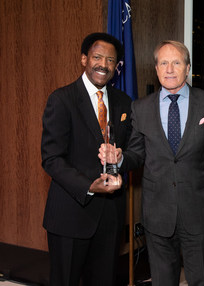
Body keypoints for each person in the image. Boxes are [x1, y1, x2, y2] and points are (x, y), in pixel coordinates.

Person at [101, 40, 204, 286]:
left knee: (202, 280)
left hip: (198, 212)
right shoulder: (141, 108)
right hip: (158, 213)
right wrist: (120, 158)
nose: (169, 69)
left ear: (187, 68)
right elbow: (137, 153)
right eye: (163, 63)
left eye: (176, 62)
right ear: (156, 69)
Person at [41, 32, 132, 285]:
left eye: (111, 60)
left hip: (110, 218)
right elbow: (51, 158)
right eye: (97, 57)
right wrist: (88, 186)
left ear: (117, 66)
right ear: (84, 59)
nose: (104, 64)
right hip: (70, 215)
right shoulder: (61, 99)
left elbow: (131, 150)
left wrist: (123, 158)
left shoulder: (124, 102)